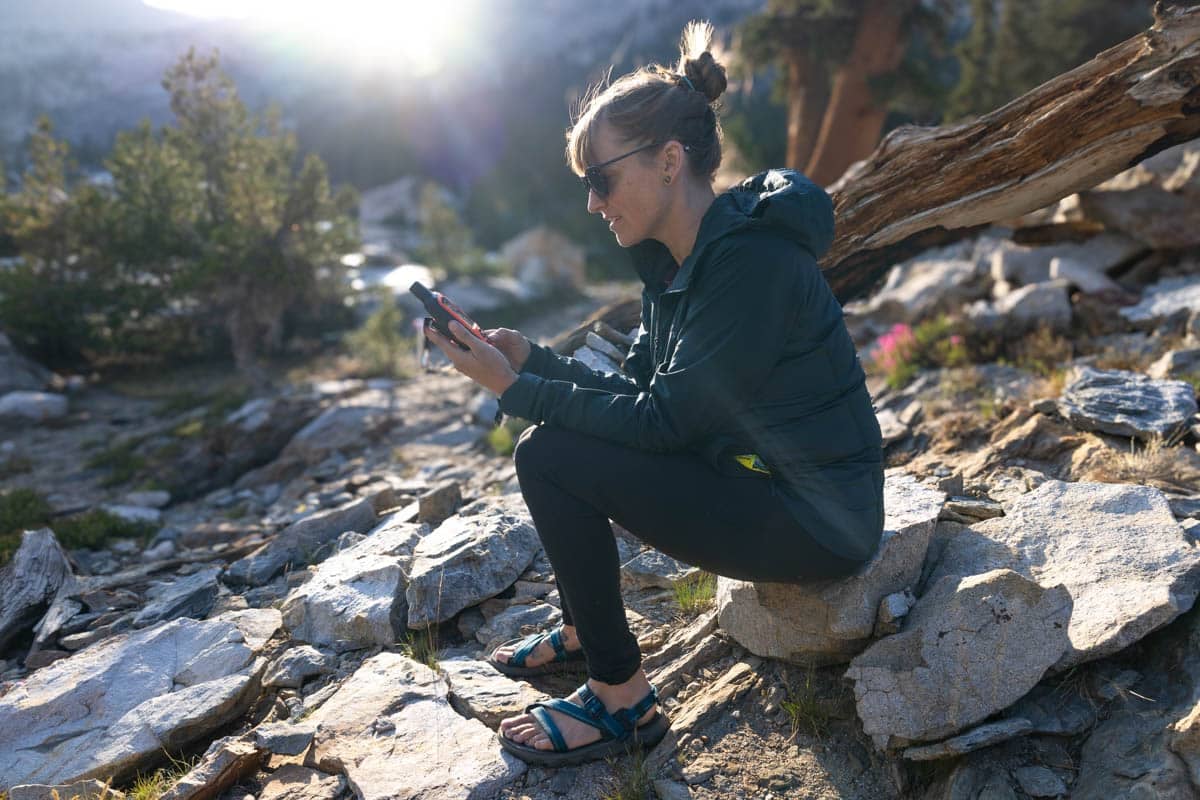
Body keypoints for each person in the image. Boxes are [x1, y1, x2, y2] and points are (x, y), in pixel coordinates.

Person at [422, 21, 884, 768]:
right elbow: (642, 394)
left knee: (547, 454)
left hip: (821, 522)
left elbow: (667, 422)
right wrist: (529, 360)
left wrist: (518, 390)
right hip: (766, 485)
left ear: (669, 162)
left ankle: (622, 700)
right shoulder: (677, 263)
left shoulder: (749, 265)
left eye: (600, 180)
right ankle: (585, 630)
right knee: (559, 444)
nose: (593, 204)